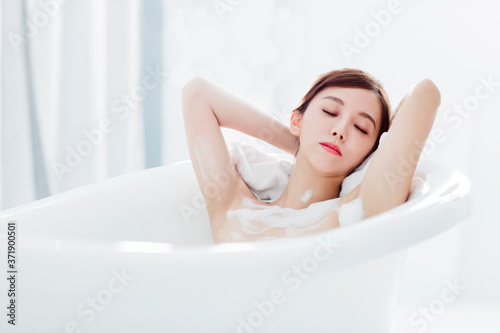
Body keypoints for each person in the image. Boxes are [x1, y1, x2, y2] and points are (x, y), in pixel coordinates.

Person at [181, 68, 441, 243]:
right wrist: (298, 142)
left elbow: (425, 94)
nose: (340, 131)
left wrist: (308, 142)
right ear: (297, 120)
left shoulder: (358, 210)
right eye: (330, 112)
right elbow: (197, 93)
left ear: (370, 155)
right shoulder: (232, 204)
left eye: (361, 128)